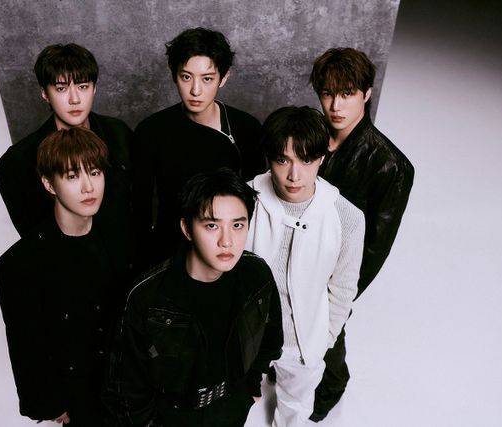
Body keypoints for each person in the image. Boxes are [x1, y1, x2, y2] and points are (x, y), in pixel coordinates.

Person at [119, 168, 283, 427]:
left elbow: (270, 339)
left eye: (237, 225)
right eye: (212, 225)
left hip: (232, 407)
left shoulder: (256, 275)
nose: (227, 241)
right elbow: (127, 383)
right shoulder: (147, 296)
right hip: (173, 418)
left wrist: (249, 389)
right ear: (187, 229)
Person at [0, 128, 130, 426]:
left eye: (94, 172)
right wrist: (51, 404)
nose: (88, 187)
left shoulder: (121, 240)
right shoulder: (19, 263)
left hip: (131, 393)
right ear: (49, 183)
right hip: (79, 399)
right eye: (72, 176)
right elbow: (25, 344)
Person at [308, 47, 415, 421]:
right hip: (297, 249)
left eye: (347, 94)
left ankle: (331, 387)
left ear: (367, 93)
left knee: (328, 329)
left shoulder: (390, 165)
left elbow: (375, 247)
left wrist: (341, 292)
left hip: (336, 269)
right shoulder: (309, 137)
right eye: (327, 94)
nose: (336, 106)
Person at [245, 106, 365, 425]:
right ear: (269, 158)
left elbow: (343, 290)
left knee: (295, 409)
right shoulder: (243, 199)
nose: (294, 175)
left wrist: (322, 341)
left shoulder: (348, 218)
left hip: (301, 344)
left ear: (322, 158)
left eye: (306, 160)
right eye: (283, 160)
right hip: (248, 336)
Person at [132, 27, 265, 269]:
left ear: (223, 78)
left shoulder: (246, 128)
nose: (195, 90)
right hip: (168, 254)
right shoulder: (151, 131)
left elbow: (255, 203)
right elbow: (139, 209)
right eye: (186, 77)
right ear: (174, 74)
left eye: (207, 79)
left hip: (227, 253)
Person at [0, 43, 132, 240]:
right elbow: (33, 238)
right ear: (44, 93)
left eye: (83, 86)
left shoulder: (119, 134)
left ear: (94, 88)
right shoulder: (17, 162)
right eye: (61, 88)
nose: (74, 99)